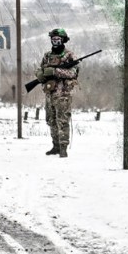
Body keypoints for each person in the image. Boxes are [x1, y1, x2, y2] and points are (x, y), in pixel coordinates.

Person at [35, 28, 79, 158]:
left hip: (63, 94)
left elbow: (73, 72)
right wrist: (40, 75)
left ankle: (63, 148)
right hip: (49, 93)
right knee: (51, 120)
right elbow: (40, 69)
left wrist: (55, 72)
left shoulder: (69, 55)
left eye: (58, 39)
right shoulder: (47, 56)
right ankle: (55, 146)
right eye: (53, 39)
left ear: (63, 40)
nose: (55, 42)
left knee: (63, 120)